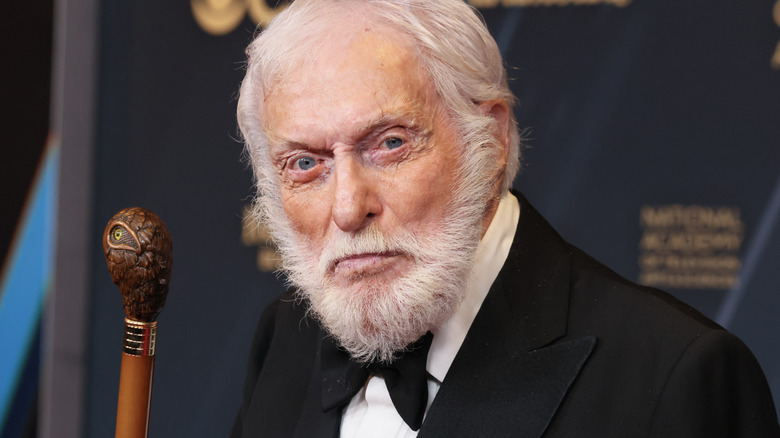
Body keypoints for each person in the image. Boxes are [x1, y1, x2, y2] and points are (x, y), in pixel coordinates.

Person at [231, 1, 780, 437]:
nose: (349, 208)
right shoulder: (285, 337)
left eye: (390, 143)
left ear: (489, 140)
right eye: (306, 163)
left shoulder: (677, 379)